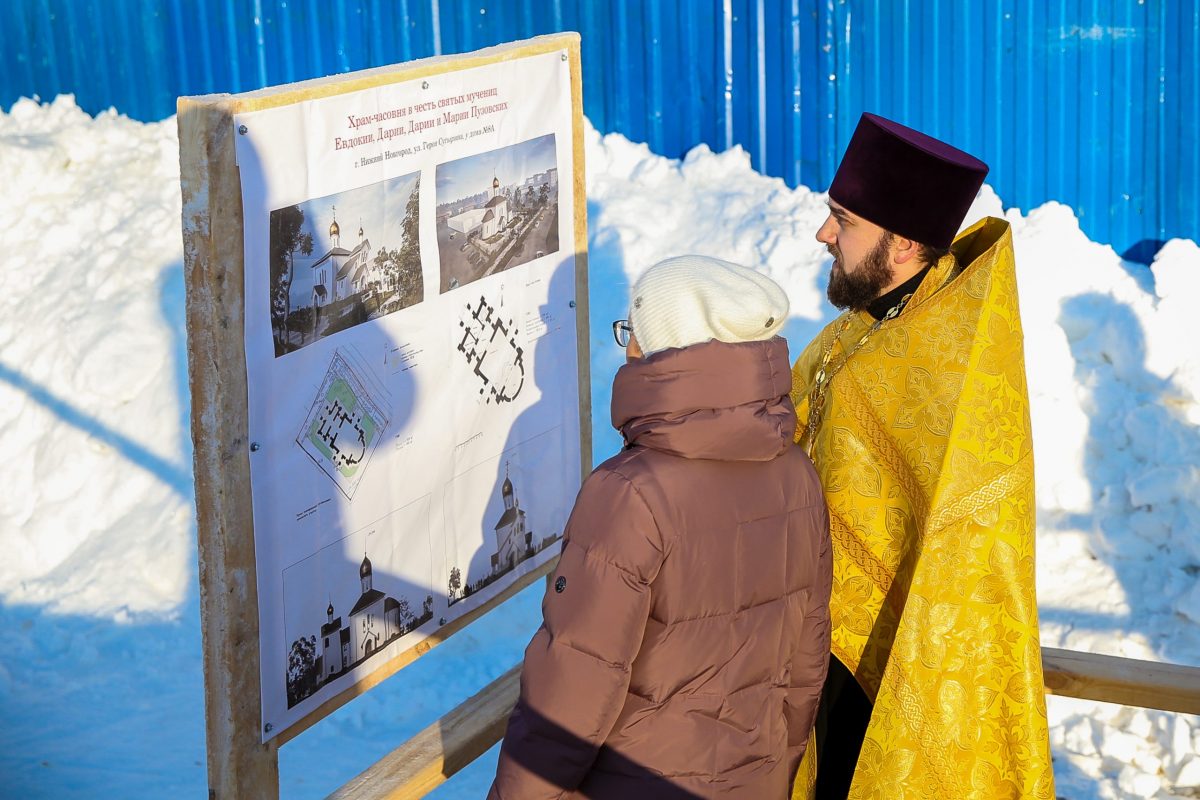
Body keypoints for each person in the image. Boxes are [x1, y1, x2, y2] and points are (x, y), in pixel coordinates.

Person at [489, 255, 832, 799]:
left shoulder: (629, 493)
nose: (626, 346)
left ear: (663, 348)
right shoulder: (798, 476)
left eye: (634, 330)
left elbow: (574, 688)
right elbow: (805, 664)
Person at [788, 112, 1055, 799]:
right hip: (813, 651)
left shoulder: (947, 364)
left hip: (894, 660)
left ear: (903, 243)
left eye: (842, 221)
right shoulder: (853, 335)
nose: (823, 235)